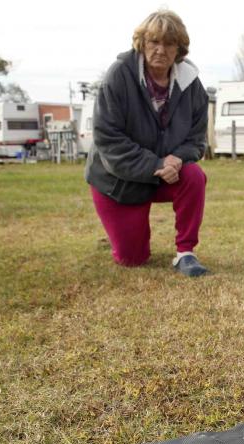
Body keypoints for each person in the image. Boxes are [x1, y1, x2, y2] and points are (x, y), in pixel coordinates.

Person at [84, 10, 210, 277]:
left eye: (169, 43)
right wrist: (156, 163)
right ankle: (125, 236)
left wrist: (178, 158)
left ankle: (185, 253)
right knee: (132, 259)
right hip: (118, 181)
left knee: (193, 175)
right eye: (154, 42)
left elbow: (197, 139)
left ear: (180, 49)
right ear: (142, 44)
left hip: (166, 174)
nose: (160, 50)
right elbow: (109, 139)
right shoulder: (119, 75)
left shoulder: (192, 84)